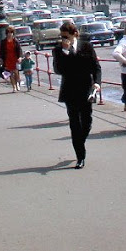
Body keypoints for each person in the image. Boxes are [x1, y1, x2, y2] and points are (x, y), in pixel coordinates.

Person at [52, 21, 102, 169]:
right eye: (61, 37)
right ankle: (80, 156)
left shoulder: (87, 46)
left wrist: (97, 82)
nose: (63, 40)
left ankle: (80, 142)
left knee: (87, 122)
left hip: (86, 88)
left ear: (75, 35)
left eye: (66, 36)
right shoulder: (58, 50)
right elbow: (58, 70)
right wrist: (65, 52)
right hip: (70, 90)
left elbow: (96, 67)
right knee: (74, 124)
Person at [0, 26, 23, 92]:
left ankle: (17, 82)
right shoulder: (3, 42)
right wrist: (0, 59)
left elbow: (19, 50)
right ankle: (14, 87)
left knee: (16, 72)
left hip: (15, 58)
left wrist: (20, 57)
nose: (10, 34)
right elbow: (1, 51)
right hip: (7, 59)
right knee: (10, 73)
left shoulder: (15, 41)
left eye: (11, 33)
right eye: (8, 33)